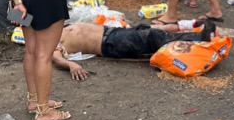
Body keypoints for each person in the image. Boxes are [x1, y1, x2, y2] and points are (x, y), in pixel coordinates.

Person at [51, 20, 216, 80]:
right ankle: (200, 37)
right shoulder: (50, 42)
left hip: (113, 32)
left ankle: (191, 27)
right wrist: (72, 65)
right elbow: (56, 58)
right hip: (109, 42)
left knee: (150, 28)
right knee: (152, 36)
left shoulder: (60, 26)